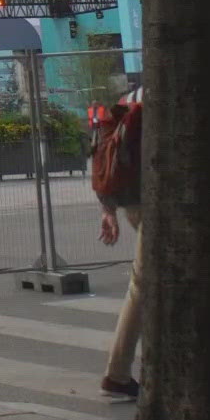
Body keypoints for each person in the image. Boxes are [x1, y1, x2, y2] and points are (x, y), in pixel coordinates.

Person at [93, 83, 145, 401]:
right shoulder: (181, 90)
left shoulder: (129, 98)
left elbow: (102, 151)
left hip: (131, 203)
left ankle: (118, 372)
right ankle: (117, 373)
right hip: (156, 202)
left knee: (145, 284)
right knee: (143, 285)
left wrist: (108, 207)